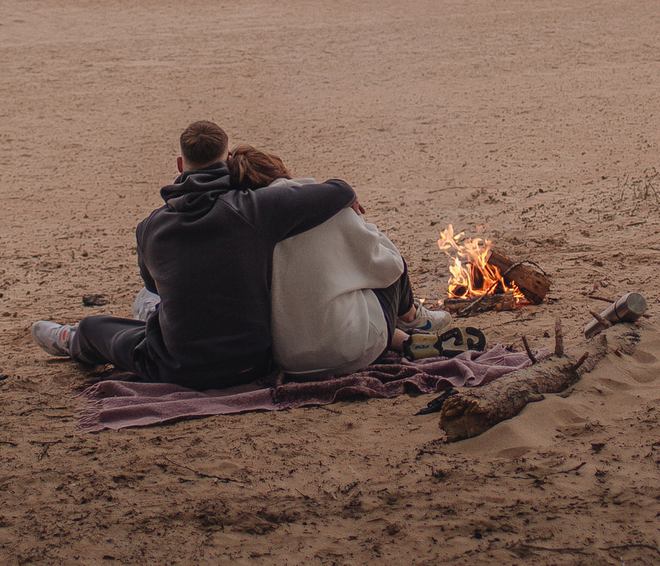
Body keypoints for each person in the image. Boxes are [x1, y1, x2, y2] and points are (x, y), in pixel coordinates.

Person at [29, 120, 360, 387]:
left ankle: (73, 340)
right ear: (228, 161)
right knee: (152, 313)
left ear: (179, 164)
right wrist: (346, 202)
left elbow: (156, 288)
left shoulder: (151, 228)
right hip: (252, 362)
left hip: (181, 367)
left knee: (97, 326)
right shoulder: (256, 210)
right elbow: (340, 189)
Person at [225, 144, 416, 376]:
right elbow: (388, 267)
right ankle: (412, 317)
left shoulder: (244, 229)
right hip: (352, 352)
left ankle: (403, 336)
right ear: (281, 171)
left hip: (290, 361)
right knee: (385, 262)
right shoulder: (328, 206)